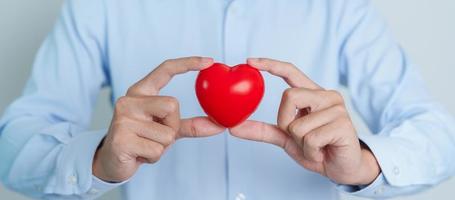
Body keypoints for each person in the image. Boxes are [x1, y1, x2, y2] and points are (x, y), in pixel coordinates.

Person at [0, 0, 454, 199]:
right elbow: (13, 147)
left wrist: (365, 164)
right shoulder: (100, 4)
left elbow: (439, 136)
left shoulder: (339, 6)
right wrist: (98, 159)